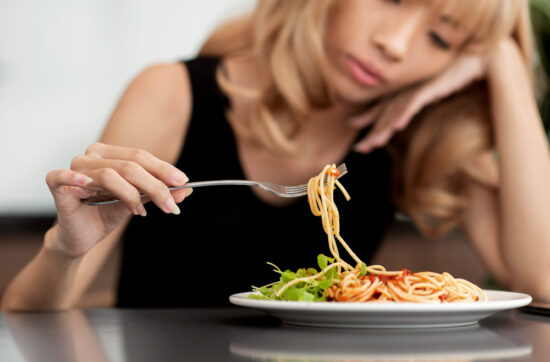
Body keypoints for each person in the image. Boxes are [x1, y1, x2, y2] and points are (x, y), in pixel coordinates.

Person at [2, 0, 550, 310]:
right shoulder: (171, 93)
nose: (396, 45)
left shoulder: (420, 133)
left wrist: (503, 59)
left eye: (442, 40)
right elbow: (26, 315)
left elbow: (542, 279)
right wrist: (65, 250)